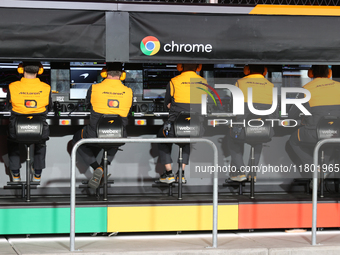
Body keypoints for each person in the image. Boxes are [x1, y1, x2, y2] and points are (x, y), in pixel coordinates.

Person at [72, 62, 133, 189]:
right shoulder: (129, 91)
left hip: (94, 134)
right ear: (122, 75)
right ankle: (103, 168)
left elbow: (87, 104)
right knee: (115, 138)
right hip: (118, 135)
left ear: (104, 73)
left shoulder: (94, 88)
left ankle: (97, 168)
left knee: (76, 139)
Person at [158, 63, 207, 184]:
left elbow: (167, 105)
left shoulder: (174, 81)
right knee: (187, 138)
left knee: (162, 136)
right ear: (198, 67)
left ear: (180, 67)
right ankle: (181, 174)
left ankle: (169, 173)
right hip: (196, 128)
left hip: (175, 128)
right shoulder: (203, 82)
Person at [228, 64, 276, 182]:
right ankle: (252, 174)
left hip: (242, 131)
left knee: (232, 139)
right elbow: (275, 111)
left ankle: (240, 172)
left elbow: (232, 106)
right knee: (257, 139)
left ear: (247, 70)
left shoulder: (239, 83)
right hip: (265, 131)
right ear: (265, 70)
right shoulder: (271, 85)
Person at [7, 62, 52, 182]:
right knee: (41, 142)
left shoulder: (12, 86)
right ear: (39, 71)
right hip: (39, 129)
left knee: (12, 142)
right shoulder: (46, 88)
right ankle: (37, 173)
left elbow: (8, 105)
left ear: (21, 70)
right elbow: (50, 107)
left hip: (17, 130)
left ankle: (15, 173)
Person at [289, 65, 340, 167]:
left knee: (293, 141)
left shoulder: (305, 89)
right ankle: (322, 169)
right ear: (329, 73)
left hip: (313, 134)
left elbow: (291, 115)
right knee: (329, 138)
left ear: (310, 73)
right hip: (336, 133)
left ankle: (314, 168)